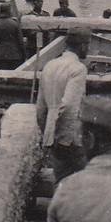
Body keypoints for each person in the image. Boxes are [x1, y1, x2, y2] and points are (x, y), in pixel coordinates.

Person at [36, 25, 90, 184]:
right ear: (83, 46)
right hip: (71, 137)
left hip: (52, 134)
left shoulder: (49, 65)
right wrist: (65, 140)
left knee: (60, 181)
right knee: (80, 183)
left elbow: (41, 108)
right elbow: (69, 105)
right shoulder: (78, 69)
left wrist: (47, 133)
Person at [0, 2, 27, 69]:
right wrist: (24, 55)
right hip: (15, 55)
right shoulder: (14, 24)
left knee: (2, 76)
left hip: (0, 55)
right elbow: (20, 41)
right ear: (9, 11)